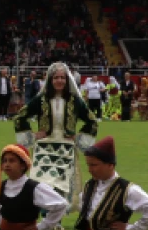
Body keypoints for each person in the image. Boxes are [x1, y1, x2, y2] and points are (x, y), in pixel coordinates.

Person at [14, 62, 98, 207]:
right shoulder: (41, 99)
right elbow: (20, 117)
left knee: (62, 184)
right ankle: (47, 214)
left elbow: (92, 121)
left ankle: (56, 217)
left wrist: (77, 137)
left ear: (67, 80)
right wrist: (33, 135)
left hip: (66, 147)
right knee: (42, 183)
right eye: (56, 78)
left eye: (62, 78)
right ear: (50, 80)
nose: (59, 81)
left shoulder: (74, 100)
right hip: (44, 146)